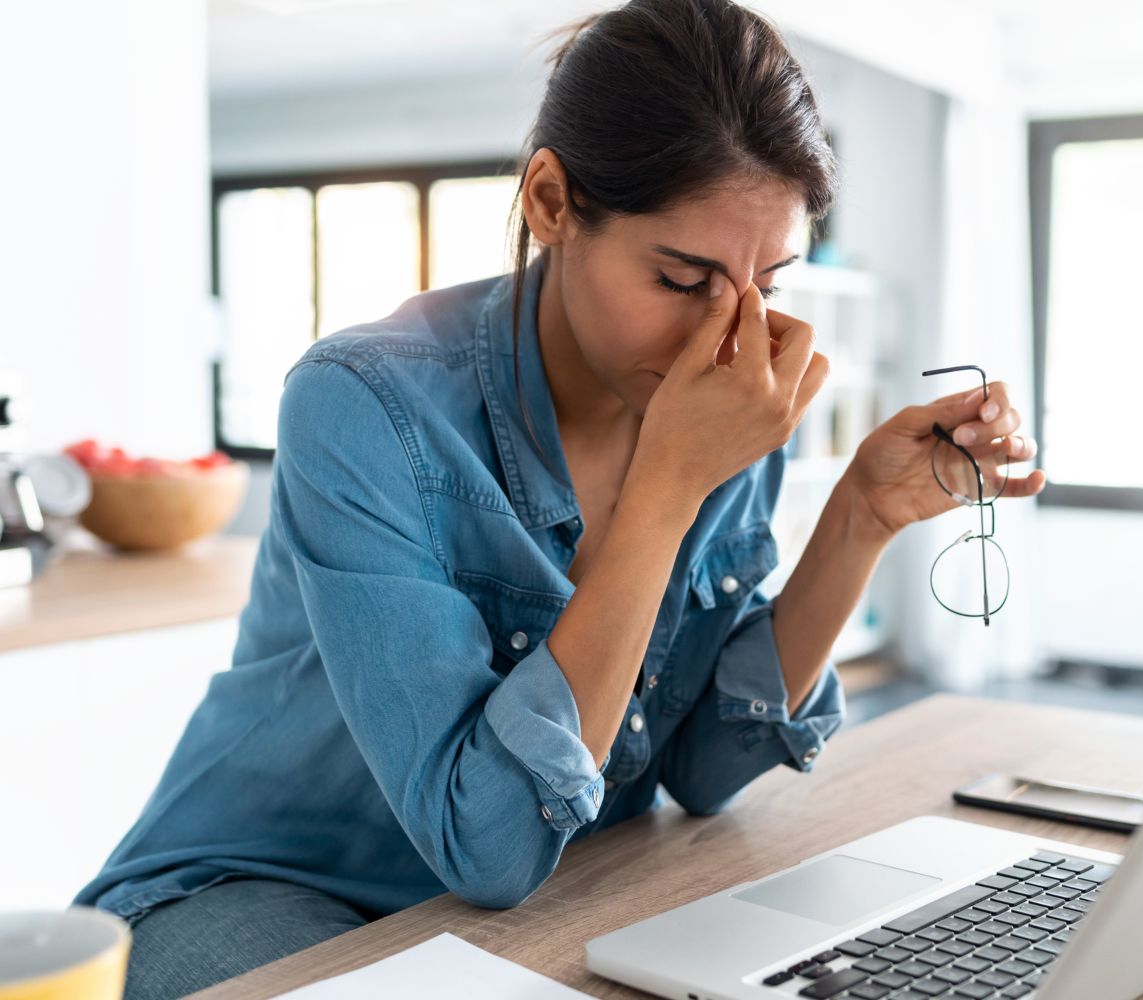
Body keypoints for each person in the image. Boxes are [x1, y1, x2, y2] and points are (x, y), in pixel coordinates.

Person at [73, 0, 1045, 996]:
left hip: (525, 896)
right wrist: (665, 491)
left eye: (770, 283)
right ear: (548, 199)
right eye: (681, 277)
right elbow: (483, 840)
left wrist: (858, 518)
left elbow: (706, 768)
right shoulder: (365, 402)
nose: (731, 337)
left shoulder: (716, 400)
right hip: (260, 890)